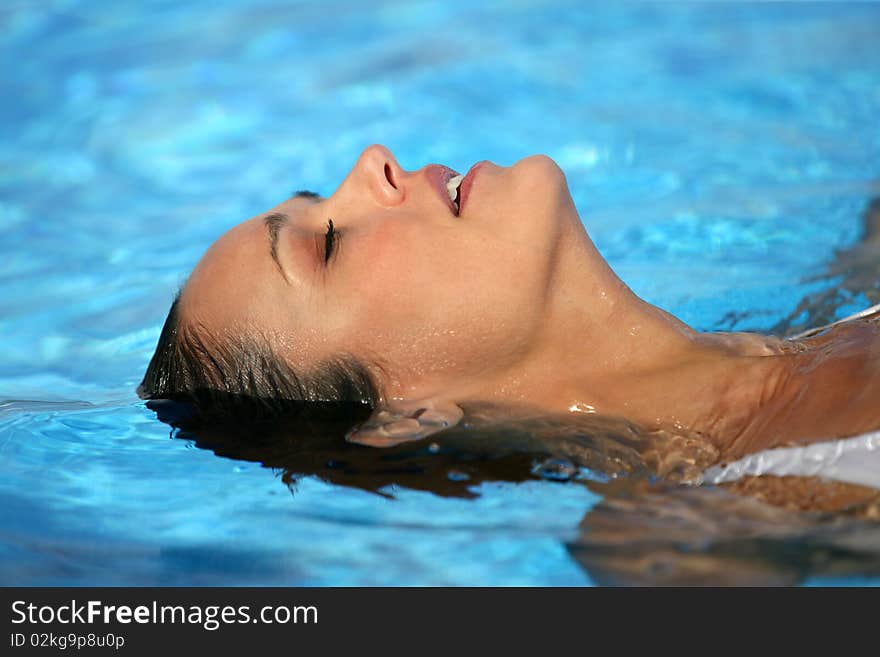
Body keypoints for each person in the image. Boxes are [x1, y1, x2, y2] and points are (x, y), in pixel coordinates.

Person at [139, 145, 880, 462]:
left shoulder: (837, 309)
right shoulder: (700, 533)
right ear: (405, 414)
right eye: (326, 244)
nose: (374, 160)